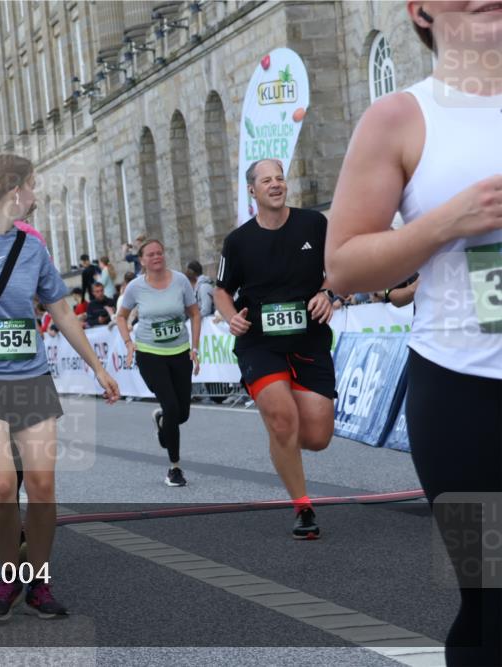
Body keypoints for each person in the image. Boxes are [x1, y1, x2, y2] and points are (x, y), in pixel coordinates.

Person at [324, 5, 501, 663]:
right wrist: (446, 222)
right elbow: (342, 264)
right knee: (493, 598)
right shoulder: (401, 118)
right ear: (420, 9)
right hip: (467, 395)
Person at [0, 153, 120, 620]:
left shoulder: (32, 249)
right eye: (31, 187)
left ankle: (38, 579)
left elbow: (62, 311)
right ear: (13, 191)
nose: (35, 195)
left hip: (30, 378)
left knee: (43, 485)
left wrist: (98, 367)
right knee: (1, 482)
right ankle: (9, 572)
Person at [214, 158, 336, 540]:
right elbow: (221, 289)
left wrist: (329, 292)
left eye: (280, 178)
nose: (275, 184)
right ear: (252, 190)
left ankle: (284, 438)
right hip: (258, 342)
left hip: (309, 339)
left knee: (316, 437)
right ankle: (302, 507)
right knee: (283, 419)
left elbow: (339, 265)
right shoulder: (237, 241)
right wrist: (231, 316)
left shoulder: (314, 224)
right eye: (266, 180)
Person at [117, 240, 201, 486]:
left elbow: (194, 313)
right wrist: (128, 343)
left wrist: (195, 347)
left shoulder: (180, 281)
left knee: (181, 413)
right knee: (172, 407)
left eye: (160, 253)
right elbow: (121, 317)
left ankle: (163, 421)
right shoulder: (135, 287)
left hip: (180, 351)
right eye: (150, 254)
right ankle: (174, 468)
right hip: (150, 353)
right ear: (141, 260)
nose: (157, 257)